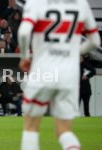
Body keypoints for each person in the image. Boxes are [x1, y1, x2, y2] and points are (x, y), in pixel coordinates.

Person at [18, 0, 101, 150]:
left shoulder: (36, 2)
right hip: (69, 75)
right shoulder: (81, 4)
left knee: (31, 127)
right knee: (64, 131)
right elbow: (95, 41)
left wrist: (24, 57)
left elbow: (24, 33)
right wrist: (74, 52)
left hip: (42, 71)